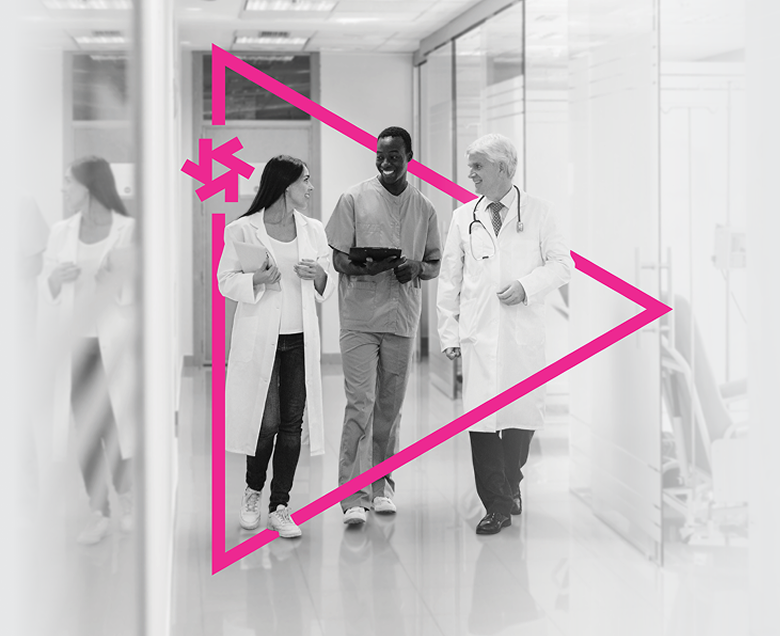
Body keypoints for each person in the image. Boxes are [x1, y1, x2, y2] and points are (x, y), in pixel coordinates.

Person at [437, 134, 573, 535]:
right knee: (481, 421)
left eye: (478, 166)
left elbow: (563, 265)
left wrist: (527, 286)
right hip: (478, 334)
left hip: (521, 333)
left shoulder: (540, 212)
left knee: (519, 419)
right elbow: (450, 279)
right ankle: (496, 504)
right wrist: (448, 333)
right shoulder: (464, 216)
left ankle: (511, 483)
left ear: (502, 168)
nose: (471, 174)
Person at [325, 126, 442, 526]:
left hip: (400, 317)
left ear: (410, 157)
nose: (386, 163)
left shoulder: (424, 208)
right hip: (358, 317)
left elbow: (434, 263)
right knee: (361, 403)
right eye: (380, 156)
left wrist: (417, 268)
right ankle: (352, 496)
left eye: (394, 156)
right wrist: (365, 267)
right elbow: (338, 258)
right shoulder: (353, 199)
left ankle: (382, 487)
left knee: (389, 409)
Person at [218, 155, 335, 539]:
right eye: (305, 181)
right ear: (286, 186)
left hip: (299, 339)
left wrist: (318, 274)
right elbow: (224, 280)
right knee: (264, 422)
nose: (310, 188)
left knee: (291, 425)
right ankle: (253, 490)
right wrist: (256, 279)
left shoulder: (313, 230)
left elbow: (327, 282)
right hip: (260, 338)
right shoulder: (242, 229)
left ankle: (280, 506)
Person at [41, 156, 137, 545]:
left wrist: (112, 279)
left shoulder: (128, 230)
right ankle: (98, 511)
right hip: (76, 342)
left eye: (69, 182)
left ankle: (127, 500)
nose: (64, 188)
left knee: (117, 426)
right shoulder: (60, 232)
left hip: (113, 340)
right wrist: (54, 279)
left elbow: (138, 290)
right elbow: (47, 291)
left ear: (89, 185)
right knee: (85, 429)